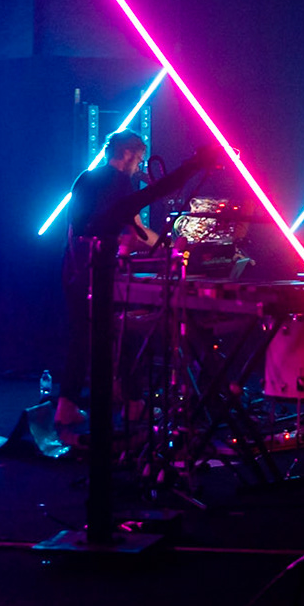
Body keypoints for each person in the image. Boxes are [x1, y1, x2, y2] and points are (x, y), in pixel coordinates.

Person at [55, 132, 219, 427]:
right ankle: (132, 403)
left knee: (82, 337)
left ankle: (67, 406)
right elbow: (138, 232)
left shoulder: (87, 177)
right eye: (140, 158)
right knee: (127, 330)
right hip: (95, 270)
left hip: (73, 266)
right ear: (129, 154)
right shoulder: (119, 181)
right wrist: (173, 247)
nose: (140, 165)